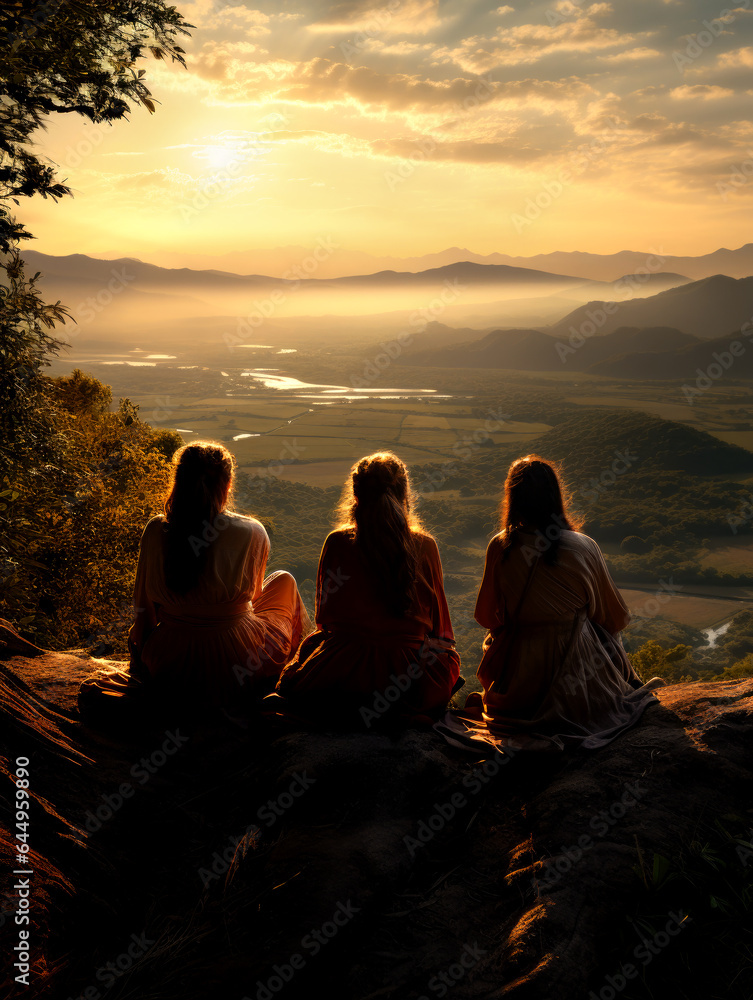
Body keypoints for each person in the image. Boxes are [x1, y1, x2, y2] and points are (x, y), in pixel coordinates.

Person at [438, 455, 660, 753]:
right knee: (602, 633)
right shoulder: (583, 546)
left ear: (513, 498)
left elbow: (485, 616)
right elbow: (615, 618)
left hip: (517, 688)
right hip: (581, 685)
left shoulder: (500, 546)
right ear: (555, 496)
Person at [271, 452, 461, 729]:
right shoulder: (425, 545)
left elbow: (326, 619)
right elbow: (442, 632)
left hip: (338, 670)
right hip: (406, 676)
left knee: (310, 647)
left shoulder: (337, 542)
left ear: (356, 494)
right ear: (403, 493)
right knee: (447, 659)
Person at [123, 441, 310, 717]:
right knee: (283, 581)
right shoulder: (252, 532)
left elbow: (144, 611)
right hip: (239, 661)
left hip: (169, 660)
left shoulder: (155, 530)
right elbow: (254, 597)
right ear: (228, 483)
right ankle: (294, 673)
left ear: (179, 481)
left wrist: (146, 661)